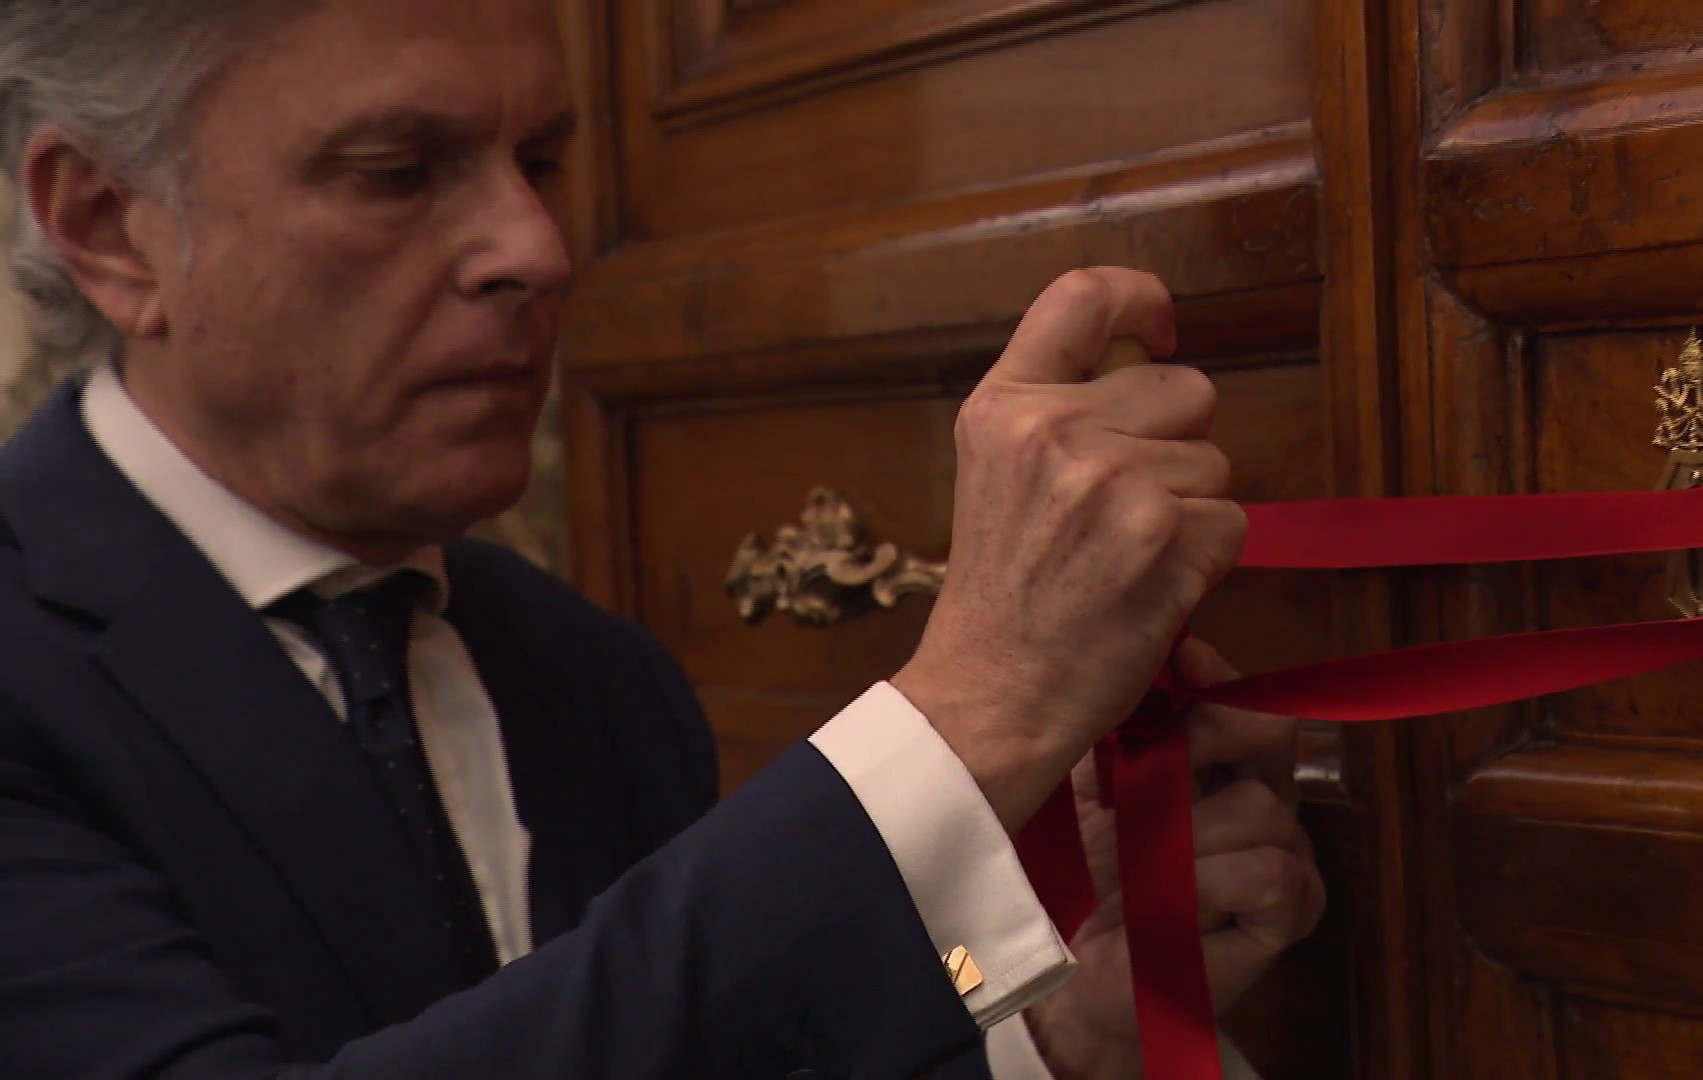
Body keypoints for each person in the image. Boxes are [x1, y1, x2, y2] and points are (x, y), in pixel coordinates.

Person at [0, 0, 1327, 1076]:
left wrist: (1049, 1027)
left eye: (541, 162)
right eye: (398, 173)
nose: (537, 249)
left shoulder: (594, 671)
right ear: (110, 228)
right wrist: (975, 716)